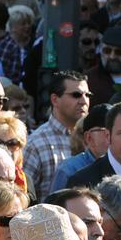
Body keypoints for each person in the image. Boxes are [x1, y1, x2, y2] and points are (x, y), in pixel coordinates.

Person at [24, 71, 91, 200]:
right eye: (76, 95)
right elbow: (24, 196)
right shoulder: (36, 144)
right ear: (55, 99)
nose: (84, 101)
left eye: (87, 95)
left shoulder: (94, 138)